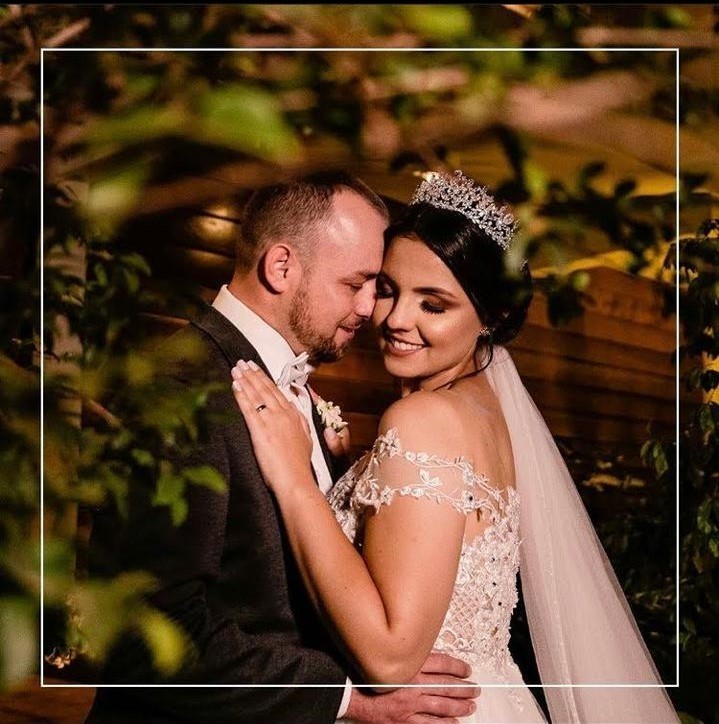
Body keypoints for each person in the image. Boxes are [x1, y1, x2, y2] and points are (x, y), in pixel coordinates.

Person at [230, 170, 680, 723]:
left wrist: (296, 481)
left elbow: (390, 657)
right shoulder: (488, 412)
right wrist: (352, 471)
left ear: (491, 316)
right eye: (388, 290)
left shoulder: (422, 419)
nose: (395, 319)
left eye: (434, 305)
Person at [85, 172, 479, 723]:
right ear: (281, 267)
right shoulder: (180, 392)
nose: (372, 308)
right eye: (357, 283)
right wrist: (345, 698)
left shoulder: (292, 390)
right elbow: (145, 632)